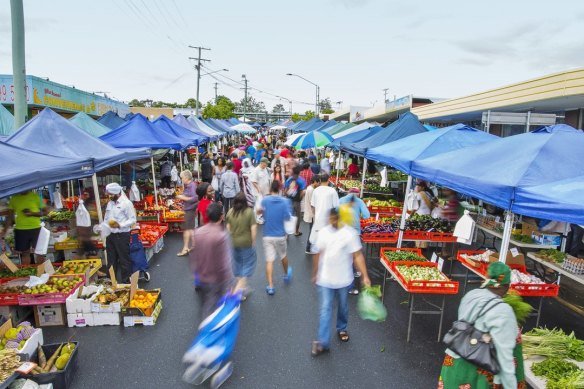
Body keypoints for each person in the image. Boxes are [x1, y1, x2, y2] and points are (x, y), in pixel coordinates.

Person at [438, 262, 524, 389]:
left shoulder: (471, 295)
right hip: (478, 373)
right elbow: (505, 358)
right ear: (507, 286)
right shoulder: (504, 311)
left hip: (454, 364)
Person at [311, 207, 371, 357]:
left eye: (334, 218)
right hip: (325, 279)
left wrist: (365, 276)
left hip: (344, 279)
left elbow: (357, 255)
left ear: (339, 218)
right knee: (325, 309)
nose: (332, 221)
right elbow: (318, 253)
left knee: (343, 306)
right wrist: (315, 272)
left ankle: (342, 328)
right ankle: (323, 342)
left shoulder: (349, 234)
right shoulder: (323, 232)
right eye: (330, 219)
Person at [189, 202, 234, 318]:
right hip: (217, 279)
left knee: (206, 307)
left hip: (203, 276)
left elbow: (194, 255)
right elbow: (224, 262)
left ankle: (205, 327)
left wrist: (196, 274)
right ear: (221, 216)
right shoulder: (221, 236)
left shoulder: (197, 232)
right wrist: (229, 281)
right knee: (219, 307)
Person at [257, 181, 292, 295]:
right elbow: (287, 217)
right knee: (283, 255)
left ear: (270, 189)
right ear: (280, 189)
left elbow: (259, 212)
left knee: (269, 260)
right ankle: (286, 274)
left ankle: (271, 286)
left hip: (267, 234)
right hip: (280, 234)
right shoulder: (285, 201)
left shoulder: (265, 200)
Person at [339, 188, 371, 295]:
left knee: (344, 257)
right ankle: (351, 284)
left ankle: (342, 281)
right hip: (354, 233)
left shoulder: (341, 200)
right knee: (354, 256)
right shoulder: (360, 201)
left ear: (348, 193)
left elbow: (334, 213)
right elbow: (367, 215)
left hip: (341, 231)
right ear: (357, 194)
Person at [226, 192, 257, 297]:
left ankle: (242, 290)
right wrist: (253, 241)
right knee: (247, 266)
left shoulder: (230, 212)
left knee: (238, 266)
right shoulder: (249, 212)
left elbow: (228, 228)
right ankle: (235, 293)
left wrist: (234, 235)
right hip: (246, 243)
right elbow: (253, 228)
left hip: (234, 243)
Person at [103, 183, 136, 283]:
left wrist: (120, 225)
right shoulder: (110, 203)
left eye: (111, 195)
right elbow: (106, 218)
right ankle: (111, 281)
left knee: (124, 259)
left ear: (117, 193)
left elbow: (132, 220)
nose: (109, 196)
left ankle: (126, 282)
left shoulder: (126, 203)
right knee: (111, 260)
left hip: (122, 235)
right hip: (110, 235)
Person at [6, 190, 46, 265]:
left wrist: (32, 213)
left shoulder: (35, 196)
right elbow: (9, 216)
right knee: (24, 254)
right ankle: (26, 273)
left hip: (36, 228)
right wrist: (5, 230)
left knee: (39, 253)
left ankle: (41, 274)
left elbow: (45, 212)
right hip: (20, 230)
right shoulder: (14, 198)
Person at [309, 173, 339, 253]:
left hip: (318, 219)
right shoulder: (332, 191)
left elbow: (313, 206)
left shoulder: (315, 191)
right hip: (329, 220)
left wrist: (315, 217)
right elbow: (336, 207)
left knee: (318, 242)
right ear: (328, 180)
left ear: (320, 180)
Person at [176, 170, 198, 257]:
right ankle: (194, 246)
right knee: (190, 229)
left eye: (182, 178)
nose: (182, 179)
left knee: (187, 230)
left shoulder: (191, 186)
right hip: (190, 209)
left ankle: (185, 248)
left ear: (186, 177)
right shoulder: (190, 185)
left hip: (189, 210)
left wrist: (182, 197)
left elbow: (194, 198)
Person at [284, 165, 306, 236]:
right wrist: (300, 199)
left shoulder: (289, 179)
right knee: (298, 216)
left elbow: (285, 190)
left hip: (289, 200)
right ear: (299, 172)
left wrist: (287, 196)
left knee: (288, 216)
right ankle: (296, 231)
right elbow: (302, 192)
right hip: (297, 201)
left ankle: (287, 234)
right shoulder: (301, 180)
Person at [303, 176, 320, 254]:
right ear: (315, 182)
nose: (319, 184)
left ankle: (309, 247)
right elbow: (312, 204)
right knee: (311, 231)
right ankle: (308, 248)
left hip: (309, 213)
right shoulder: (311, 190)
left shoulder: (309, 188)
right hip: (311, 214)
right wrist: (316, 213)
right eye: (318, 182)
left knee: (312, 230)